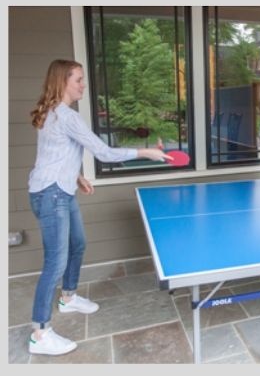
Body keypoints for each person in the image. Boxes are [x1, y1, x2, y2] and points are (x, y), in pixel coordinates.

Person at [27, 60, 169, 356]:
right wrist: (145, 152)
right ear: (62, 82)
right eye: (78, 79)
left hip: (58, 189)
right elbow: (104, 153)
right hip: (52, 195)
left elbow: (52, 154)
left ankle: (68, 297)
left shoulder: (52, 113)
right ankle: (40, 333)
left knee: (78, 244)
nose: (83, 84)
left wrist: (77, 176)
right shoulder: (66, 116)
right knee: (55, 263)